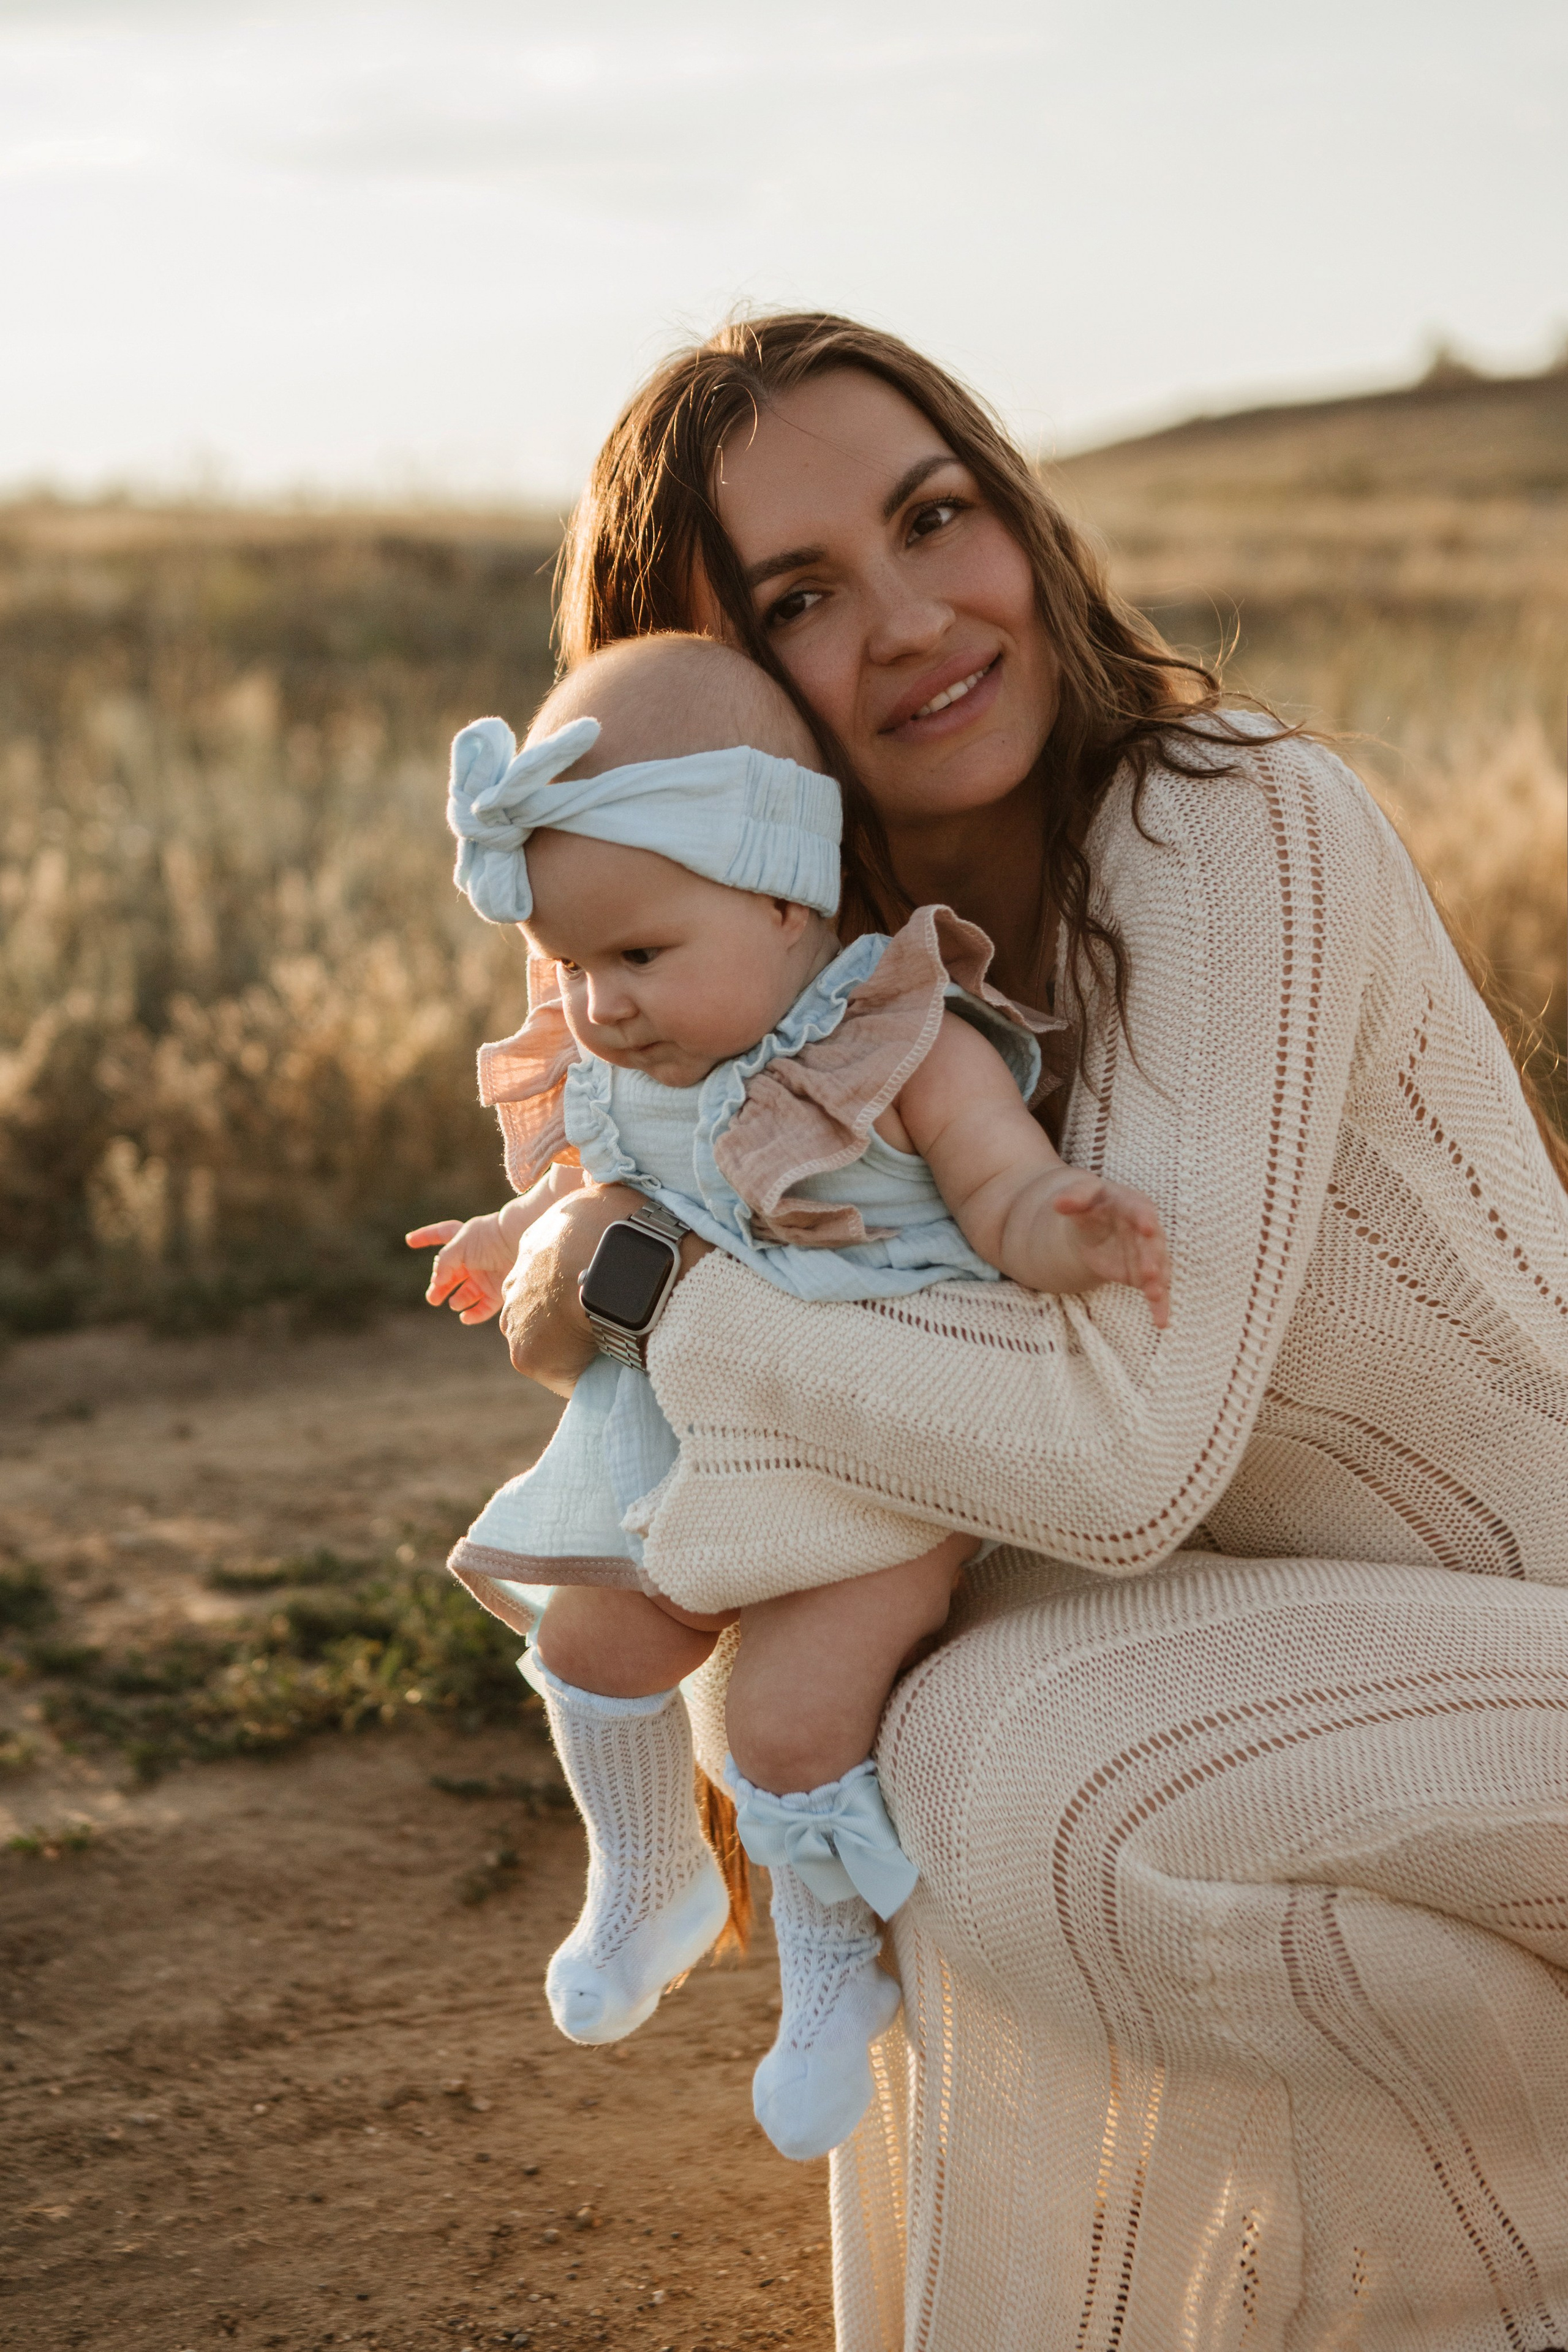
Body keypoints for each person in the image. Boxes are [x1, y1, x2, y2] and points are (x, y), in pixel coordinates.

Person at [475, 312, 1568, 2349]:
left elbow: (1116, 1454)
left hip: (1541, 1628)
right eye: (801, 595)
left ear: (1017, 515)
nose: (909, 617)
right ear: (698, 711)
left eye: (935, 516)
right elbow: (634, 1352)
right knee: (919, 1762)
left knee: (1040, 1776)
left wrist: (662, 1296)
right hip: (1299, 1681)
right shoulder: (795, 999)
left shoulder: (1227, 820)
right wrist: (606, 1278)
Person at [417, 629, 1169, 2164]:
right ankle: (646, 1876)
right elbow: (591, 1178)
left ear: (782, 897)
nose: (600, 1005)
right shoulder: (619, 1065)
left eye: (636, 957)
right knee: (594, 1634)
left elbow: (996, 1182)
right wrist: (507, 1236)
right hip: (695, 1433)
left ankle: (834, 1973)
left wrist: (1060, 1227)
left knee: (786, 1716)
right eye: (567, 966)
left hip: (878, 1448)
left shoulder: (898, 1037)